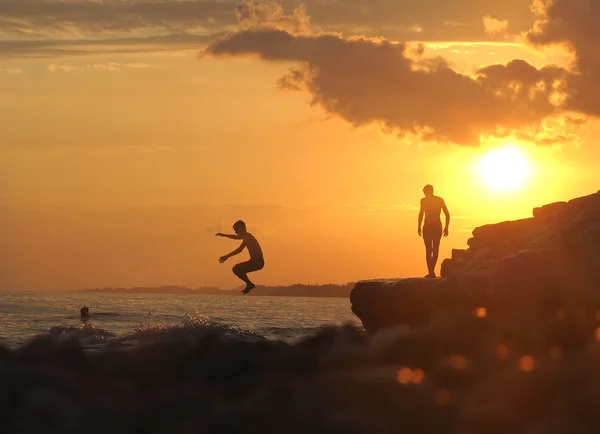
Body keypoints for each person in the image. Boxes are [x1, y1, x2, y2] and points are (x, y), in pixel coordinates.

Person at [216, 220, 265, 294]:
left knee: (236, 268)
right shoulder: (247, 236)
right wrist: (224, 235)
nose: (235, 232)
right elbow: (236, 237)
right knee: (237, 269)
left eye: (236, 230)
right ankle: (249, 284)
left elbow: (240, 249)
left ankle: (249, 284)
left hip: (257, 262)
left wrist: (227, 256)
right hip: (256, 262)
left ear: (241, 229)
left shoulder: (248, 237)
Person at [418, 185, 450, 278]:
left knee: (435, 250)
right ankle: (431, 272)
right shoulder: (423, 201)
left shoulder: (439, 200)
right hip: (427, 228)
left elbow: (447, 214)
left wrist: (446, 227)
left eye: (425, 191)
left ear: (430, 191)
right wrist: (419, 226)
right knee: (429, 250)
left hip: (436, 228)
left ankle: (431, 272)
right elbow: (421, 213)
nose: (424, 193)